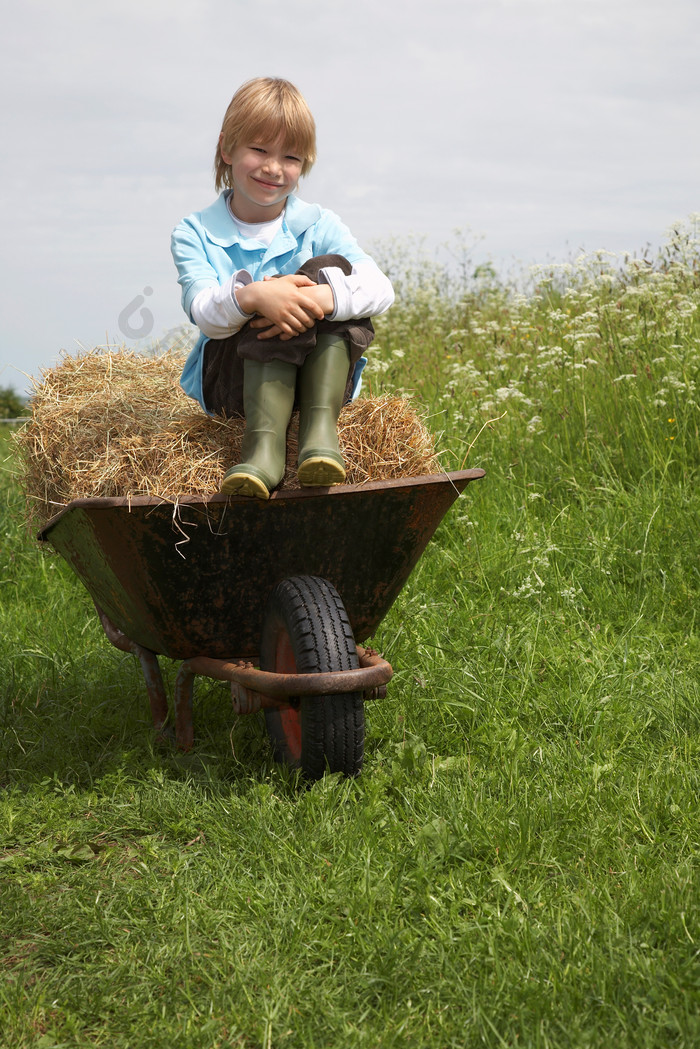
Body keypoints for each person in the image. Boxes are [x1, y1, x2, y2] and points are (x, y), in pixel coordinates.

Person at [171, 77, 394, 500]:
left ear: (305, 163)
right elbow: (202, 309)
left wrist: (320, 297)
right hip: (233, 387)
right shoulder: (194, 232)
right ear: (227, 149)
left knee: (332, 271)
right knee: (264, 293)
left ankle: (319, 434)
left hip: (317, 385)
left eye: (290, 157)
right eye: (259, 150)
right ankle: (262, 449)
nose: (273, 168)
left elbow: (380, 288)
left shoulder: (319, 223)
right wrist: (253, 297)